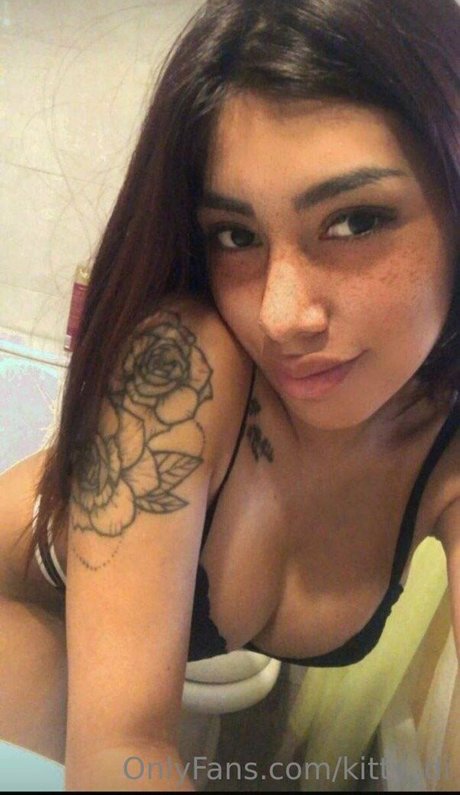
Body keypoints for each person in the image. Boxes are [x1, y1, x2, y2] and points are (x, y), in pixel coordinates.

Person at [0, 0, 459, 790]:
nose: (280, 316)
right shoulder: (184, 362)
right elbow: (119, 747)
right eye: (236, 235)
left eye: (355, 221)